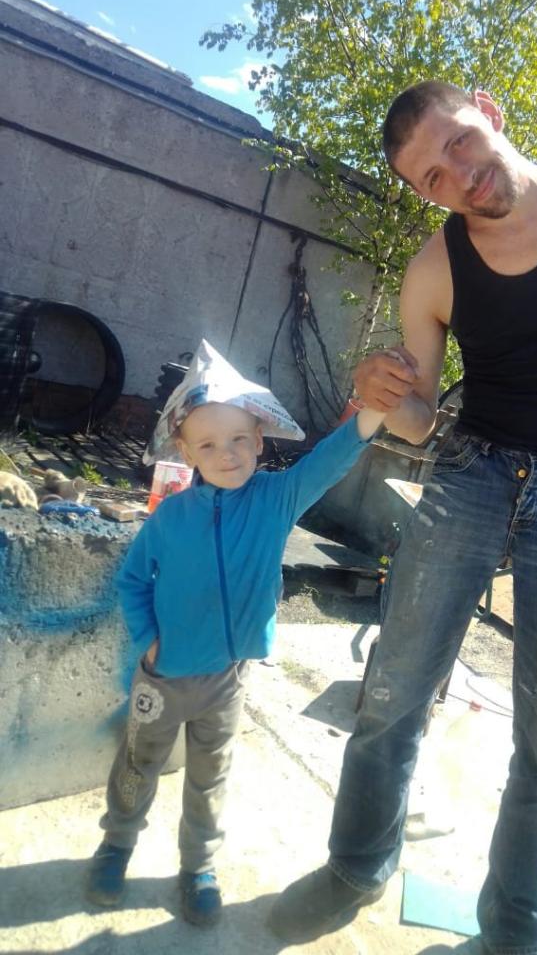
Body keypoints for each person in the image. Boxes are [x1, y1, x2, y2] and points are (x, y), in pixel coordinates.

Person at [267, 81, 537, 954]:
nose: (457, 175)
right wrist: (382, 395)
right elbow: (420, 419)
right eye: (431, 176)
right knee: (394, 689)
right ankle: (354, 867)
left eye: (457, 142)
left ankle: (515, 927)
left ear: (489, 112)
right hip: (470, 476)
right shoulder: (435, 269)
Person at [85, 339, 386, 926]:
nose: (227, 454)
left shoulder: (277, 500)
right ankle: (116, 845)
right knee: (138, 764)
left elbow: (328, 461)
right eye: (208, 445)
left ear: (260, 438)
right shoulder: (171, 518)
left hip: (228, 679)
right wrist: (150, 640)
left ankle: (198, 865)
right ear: (185, 451)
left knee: (210, 777)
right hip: (163, 676)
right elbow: (132, 580)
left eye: (240, 439)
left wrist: (372, 410)